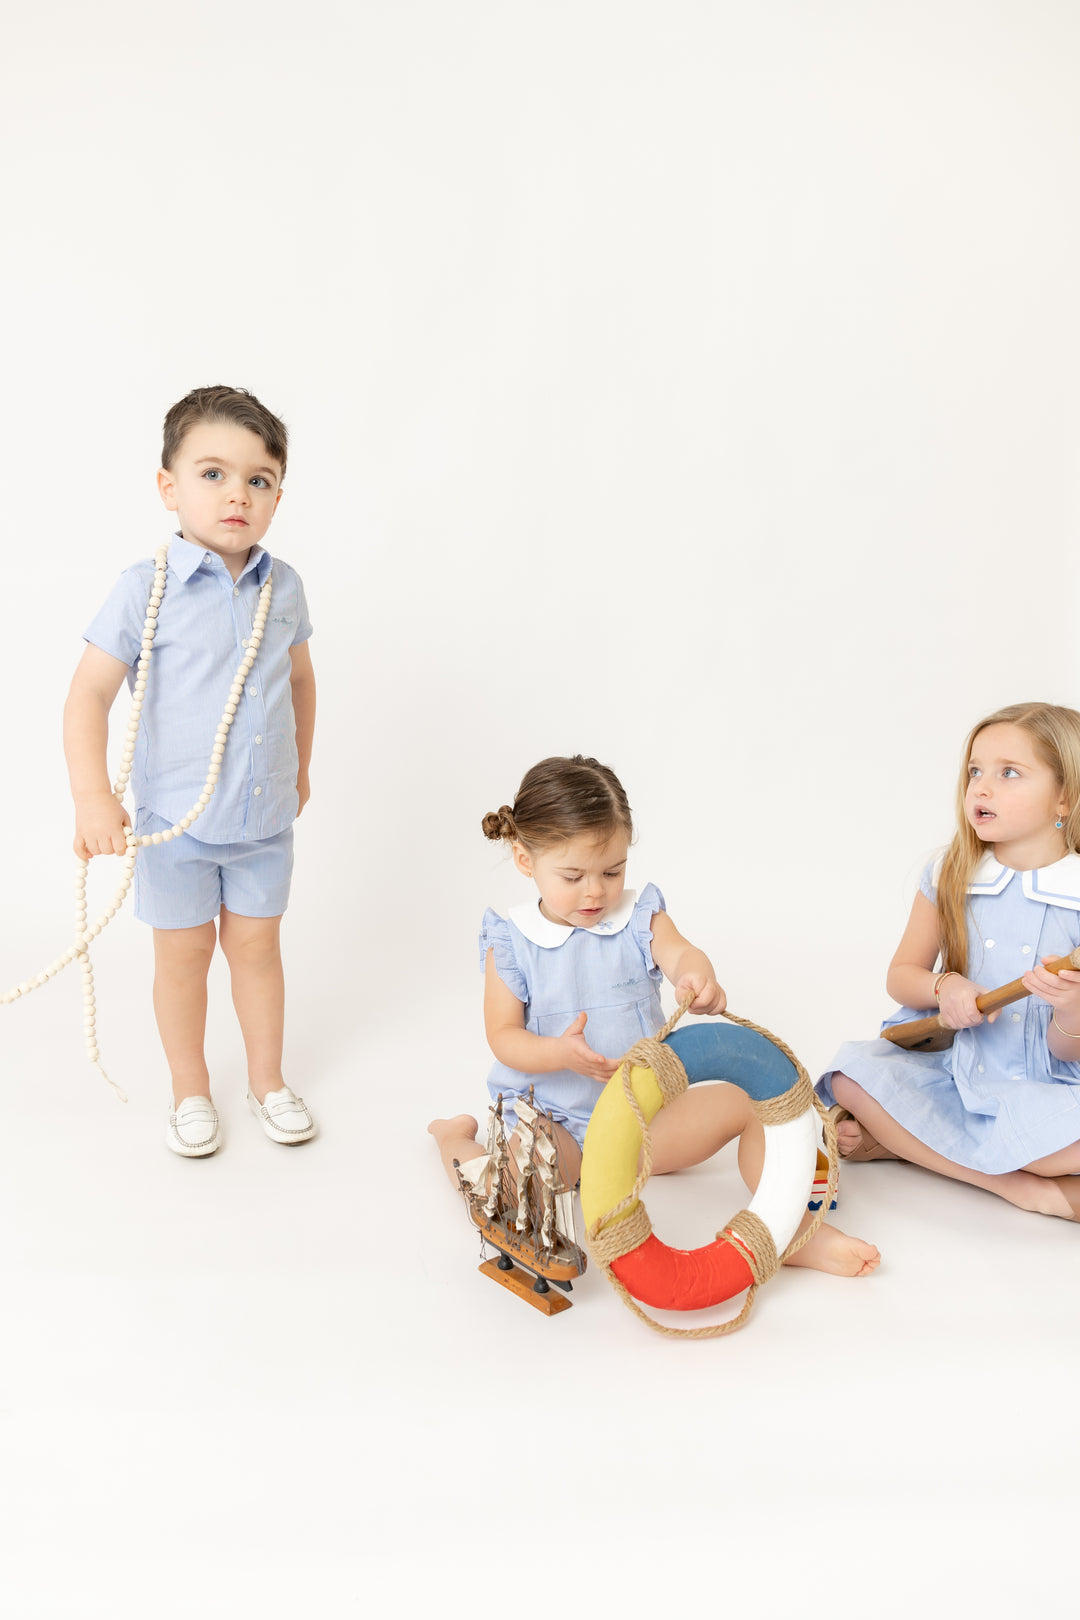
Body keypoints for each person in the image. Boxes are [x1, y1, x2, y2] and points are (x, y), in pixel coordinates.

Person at [429, 755, 879, 1277]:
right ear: (524, 860)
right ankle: (451, 1137)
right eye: (572, 875)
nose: (595, 890)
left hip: (646, 1120)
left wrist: (697, 975)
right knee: (497, 1190)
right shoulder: (511, 940)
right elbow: (503, 1037)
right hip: (558, 1127)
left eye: (612, 871)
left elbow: (680, 953)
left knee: (756, 1106)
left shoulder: (639, 914)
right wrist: (559, 1052)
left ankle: (794, 1229)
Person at [63, 386, 317, 1157]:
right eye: (212, 473)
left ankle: (267, 1079)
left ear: (276, 495)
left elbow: (301, 681)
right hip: (173, 828)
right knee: (182, 960)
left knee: (257, 951)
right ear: (168, 486)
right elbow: (89, 694)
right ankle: (190, 1089)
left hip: (263, 824)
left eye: (259, 478)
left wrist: (301, 768)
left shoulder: (285, 587)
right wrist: (91, 798)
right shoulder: (147, 588)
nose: (237, 492)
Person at [820, 702, 1080, 1220]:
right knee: (850, 1074)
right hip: (960, 1069)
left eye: (1009, 773)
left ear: (1066, 798)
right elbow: (902, 976)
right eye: (975, 772)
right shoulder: (952, 872)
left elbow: (1067, 1053)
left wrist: (1069, 1009)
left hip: (1050, 1082)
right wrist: (945, 987)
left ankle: (909, 1143)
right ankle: (1015, 1187)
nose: (981, 788)